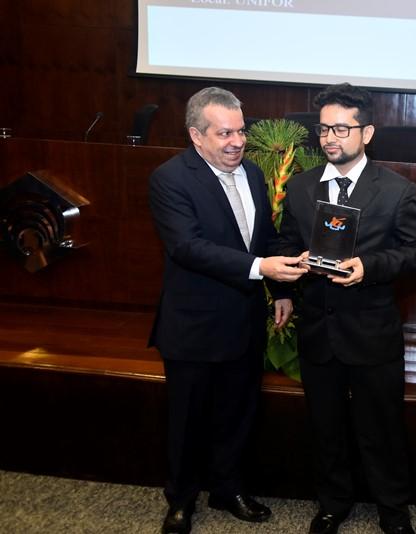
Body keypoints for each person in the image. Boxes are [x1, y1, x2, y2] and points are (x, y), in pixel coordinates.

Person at [148, 86, 307, 534]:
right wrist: (261, 268)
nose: (237, 142)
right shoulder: (170, 179)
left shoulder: (252, 173)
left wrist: (280, 288)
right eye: (224, 133)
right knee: (188, 421)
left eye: (241, 131)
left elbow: (263, 238)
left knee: (237, 414)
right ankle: (180, 500)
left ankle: (227, 488)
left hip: (243, 322)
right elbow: (187, 247)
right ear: (196, 135)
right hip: (194, 327)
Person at [276, 83, 416, 534]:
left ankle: (393, 510)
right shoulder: (301, 187)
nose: (330, 137)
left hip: (371, 332)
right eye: (324, 128)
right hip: (318, 330)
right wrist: (290, 270)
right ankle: (332, 503)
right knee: (325, 428)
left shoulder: (397, 190)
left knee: (381, 429)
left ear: (367, 133)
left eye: (342, 129)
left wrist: (370, 267)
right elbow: (284, 243)